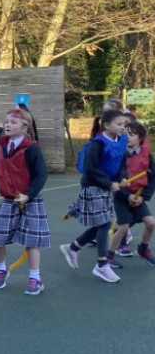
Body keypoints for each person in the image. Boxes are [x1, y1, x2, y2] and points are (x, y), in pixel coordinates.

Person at [0, 108, 50, 295]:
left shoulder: (31, 148)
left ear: (25, 127)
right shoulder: (1, 146)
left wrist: (29, 194)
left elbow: (41, 175)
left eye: (13, 122)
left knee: (32, 241)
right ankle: (1, 269)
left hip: (29, 199)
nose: (8, 125)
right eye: (7, 121)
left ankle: (35, 278)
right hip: (9, 200)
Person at [60, 110, 129, 283]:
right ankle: (102, 265)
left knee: (102, 223)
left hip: (107, 188)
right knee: (104, 223)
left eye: (124, 124)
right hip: (93, 186)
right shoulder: (97, 144)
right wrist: (108, 183)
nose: (123, 127)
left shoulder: (121, 142)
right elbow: (91, 169)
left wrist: (122, 178)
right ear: (106, 125)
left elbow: (122, 164)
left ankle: (73, 247)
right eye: (119, 124)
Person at [107, 120, 155, 267]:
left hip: (138, 196)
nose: (128, 137)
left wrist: (143, 197)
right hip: (122, 196)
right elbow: (114, 179)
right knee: (123, 228)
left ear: (140, 138)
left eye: (132, 135)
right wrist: (127, 195)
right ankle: (109, 256)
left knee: (151, 223)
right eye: (126, 134)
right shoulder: (119, 154)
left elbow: (152, 178)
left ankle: (143, 249)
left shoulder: (147, 156)